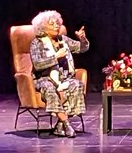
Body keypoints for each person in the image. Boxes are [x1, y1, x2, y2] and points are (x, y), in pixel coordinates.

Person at [28, 10, 90, 138]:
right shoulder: (37, 43)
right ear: (43, 28)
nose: (57, 26)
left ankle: (59, 125)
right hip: (44, 78)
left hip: (63, 78)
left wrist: (83, 39)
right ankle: (66, 123)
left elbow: (82, 48)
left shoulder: (63, 39)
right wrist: (56, 57)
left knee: (77, 85)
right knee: (49, 88)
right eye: (52, 24)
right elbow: (38, 64)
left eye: (57, 23)